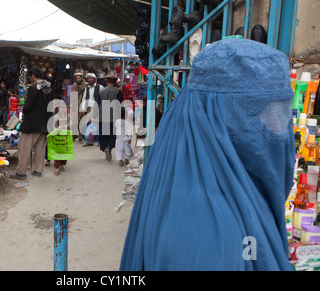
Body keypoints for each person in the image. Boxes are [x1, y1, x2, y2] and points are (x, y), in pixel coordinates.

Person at [120, 39, 296, 271]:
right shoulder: (209, 240)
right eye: (262, 112)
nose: (278, 127)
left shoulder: (184, 161)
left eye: (282, 112)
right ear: (217, 117)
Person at [10, 67, 52, 180]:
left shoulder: (33, 89)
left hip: (31, 124)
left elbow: (27, 107)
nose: (30, 79)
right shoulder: (48, 88)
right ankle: (38, 170)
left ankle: (21, 172)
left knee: (24, 149)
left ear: (33, 76)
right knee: (40, 149)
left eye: (30, 77)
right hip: (43, 124)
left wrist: (24, 110)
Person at [97, 75, 123, 162]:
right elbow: (120, 104)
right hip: (114, 116)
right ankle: (109, 147)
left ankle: (106, 149)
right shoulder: (118, 91)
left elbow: (97, 104)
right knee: (114, 134)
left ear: (107, 81)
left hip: (103, 116)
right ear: (115, 82)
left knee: (104, 135)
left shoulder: (101, 91)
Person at [81, 72, 103, 147]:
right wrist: (83, 108)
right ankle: (89, 141)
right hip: (89, 108)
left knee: (98, 124)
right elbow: (84, 98)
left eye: (91, 78)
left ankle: (99, 140)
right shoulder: (86, 88)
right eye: (88, 79)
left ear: (94, 79)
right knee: (87, 124)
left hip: (97, 108)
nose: (89, 80)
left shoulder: (100, 87)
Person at [70, 71, 87, 143]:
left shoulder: (85, 85)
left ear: (82, 78)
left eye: (79, 78)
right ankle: (74, 136)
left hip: (82, 105)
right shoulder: (74, 86)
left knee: (81, 122)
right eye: (76, 78)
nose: (78, 79)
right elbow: (72, 96)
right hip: (75, 105)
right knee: (74, 121)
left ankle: (80, 137)